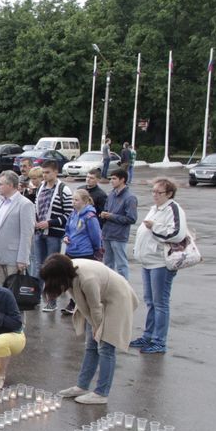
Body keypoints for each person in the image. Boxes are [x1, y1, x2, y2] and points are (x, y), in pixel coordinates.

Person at [42, 254, 139, 405]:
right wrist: (93, 327)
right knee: (91, 346)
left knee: (106, 348)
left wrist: (97, 327)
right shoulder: (68, 273)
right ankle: (82, 386)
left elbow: (95, 308)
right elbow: (84, 305)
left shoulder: (87, 279)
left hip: (116, 299)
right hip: (99, 301)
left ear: (59, 276)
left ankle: (101, 393)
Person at [131, 177, 187, 354]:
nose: (154, 195)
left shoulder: (173, 209)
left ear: (169, 194)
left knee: (160, 303)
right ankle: (148, 336)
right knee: (150, 302)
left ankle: (159, 341)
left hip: (161, 263)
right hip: (148, 262)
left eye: (159, 192)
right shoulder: (155, 208)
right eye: (153, 191)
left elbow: (177, 234)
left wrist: (155, 226)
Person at [32, 160, 73, 311]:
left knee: (52, 268)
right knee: (39, 266)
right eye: (43, 172)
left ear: (56, 172)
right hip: (39, 232)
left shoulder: (64, 190)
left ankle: (52, 301)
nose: (44, 175)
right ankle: (35, 297)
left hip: (54, 234)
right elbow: (36, 208)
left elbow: (69, 214)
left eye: (47, 172)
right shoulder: (40, 188)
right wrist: (35, 221)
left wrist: (50, 223)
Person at [0, 170, 34, 286]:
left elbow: (27, 234)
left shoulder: (25, 204)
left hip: (14, 259)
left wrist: (23, 259)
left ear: (10, 185)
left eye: (1, 184)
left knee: (13, 292)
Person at [61, 189, 103, 314]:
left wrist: (96, 250)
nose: (73, 202)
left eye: (76, 200)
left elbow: (96, 236)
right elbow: (68, 229)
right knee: (71, 280)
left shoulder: (90, 217)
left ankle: (81, 304)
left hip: (85, 253)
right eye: (73, 200)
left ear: (85, 201)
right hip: (71, 251)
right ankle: (74, 302)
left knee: (83, 281)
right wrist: (66, 237)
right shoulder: (73, 214)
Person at [99, 168, 137, 279]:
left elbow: (131, 218)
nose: (111, 181)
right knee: (107, 264)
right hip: (107, 234)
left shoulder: (130, 198)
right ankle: (109, 285)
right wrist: (103, 215)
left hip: (119, 236)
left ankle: (124, 286)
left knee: (121, 265)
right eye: (111, 178)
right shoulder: (111, 194)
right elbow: (106, 209)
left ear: (122, 180)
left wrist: (111, 216)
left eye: (114, 179)